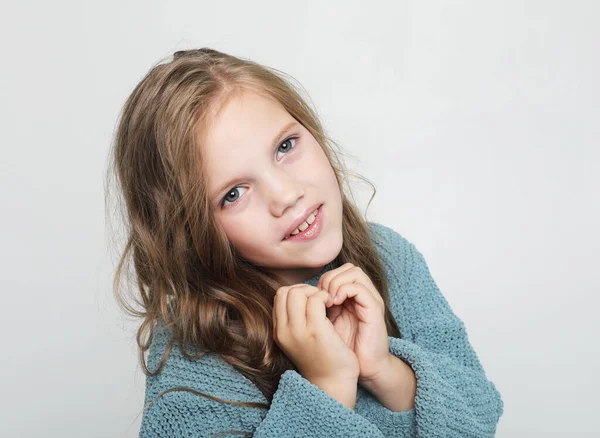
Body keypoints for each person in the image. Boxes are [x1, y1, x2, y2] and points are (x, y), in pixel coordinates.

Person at [106, 47, 504, 437]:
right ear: (191, 235)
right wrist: (327, 387)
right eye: (234, 193)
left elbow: (481, 415)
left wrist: (382, 369)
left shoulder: (392, 258)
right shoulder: (192, 351)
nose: (285, 195)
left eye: (285, 147)